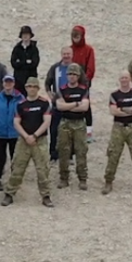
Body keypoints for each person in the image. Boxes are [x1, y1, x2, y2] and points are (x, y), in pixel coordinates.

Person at [2, 78, 53, 208]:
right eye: (29, 86)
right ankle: (9, 194)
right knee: (17, 168)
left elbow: (46, 121)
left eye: (34, 86)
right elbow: (16, 122)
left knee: (42, 169)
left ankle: (46, 196)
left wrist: (35, 135)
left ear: (38, 88)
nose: (31, 88)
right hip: (24, 141)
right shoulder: (21, 104)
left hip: (39, 141)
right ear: (25, 87)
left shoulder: (44, 103)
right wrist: (26, 136)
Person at [102, 72, 132, 195]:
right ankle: (108, 181)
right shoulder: (114, 95)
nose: (124, 80)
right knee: (113, 155)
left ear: (130, 79)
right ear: (119, 80)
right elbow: (113, 111)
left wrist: (121, 109)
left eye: (126, 77)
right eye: (122, 78)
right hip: (118, 127)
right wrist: (128, 110)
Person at [55, 63, 91, 191]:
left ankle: (82, 178)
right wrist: (76, 103)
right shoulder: (62, 89)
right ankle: (63, 178)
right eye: (69, 74)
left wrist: (68, 105)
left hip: (79, 123)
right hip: (65, 122)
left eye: (74, 74)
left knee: (81, 151)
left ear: (78, 75)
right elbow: (59, 106)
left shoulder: (83, 89)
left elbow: (85, 107)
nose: (71, 76)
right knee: (63, 151)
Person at [44, 46, 80, 162]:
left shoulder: (77, 68)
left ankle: (69, 155)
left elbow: (84, 83)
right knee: (54, 129)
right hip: (57, 103)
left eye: (68, 54)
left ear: (72, 54)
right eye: (64, 54)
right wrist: (50, 95)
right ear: (61, 54)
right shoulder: (55, 68)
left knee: (71, 130)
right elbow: (47, 83)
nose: (66, 56)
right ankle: (54, 154)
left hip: (71, 103)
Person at [0, 74, 23, 191]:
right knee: (0, 156)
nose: (8, 85)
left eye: (10, 82)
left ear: (13, 84)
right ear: (3, 84)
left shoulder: (20, 98)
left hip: (15, 133)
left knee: (15, 156)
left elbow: (24, 116)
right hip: (0, 132)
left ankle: (14, 179)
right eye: (6, 82)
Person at [69, 25, 97, 140]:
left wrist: (85, 80)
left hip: (84, 82)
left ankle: (89, 131)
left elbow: (91, 67)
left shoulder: (88, 49)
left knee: (86, 105)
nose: (76, 38)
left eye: (78, 36)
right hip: (71, 81)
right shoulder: (70, 49)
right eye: (74, 36)